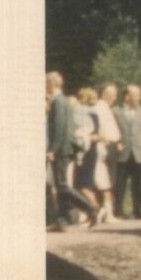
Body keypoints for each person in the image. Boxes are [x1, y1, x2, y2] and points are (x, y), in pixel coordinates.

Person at [46, 72, 94, 230]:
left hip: (61, 149)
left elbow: (59, 127)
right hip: (65, 147)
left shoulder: (58, 102)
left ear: (51, 84)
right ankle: (61, 221)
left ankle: (90, 208)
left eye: (46, 83)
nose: (45, 86)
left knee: (62, 185)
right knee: (60, 186)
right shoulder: (64, 100)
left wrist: (52, 149)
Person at [71, 87, 112, 224]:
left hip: (86, 150)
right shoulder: (94, 114)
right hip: (93, 150)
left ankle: (95, 208)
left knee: (81, 184)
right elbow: (100, 133)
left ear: (83, 98)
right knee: (87, 184)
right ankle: (93, 211)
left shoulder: (81, 113)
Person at [113, 84, 141, 220]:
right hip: (122, 153)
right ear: (127, 96)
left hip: (139, 153)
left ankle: (138, 211)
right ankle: (118, 211)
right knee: (119, 184)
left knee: (139, 184)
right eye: (136, 95)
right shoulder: (116, 111)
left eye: (139, 95)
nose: (139, 98)